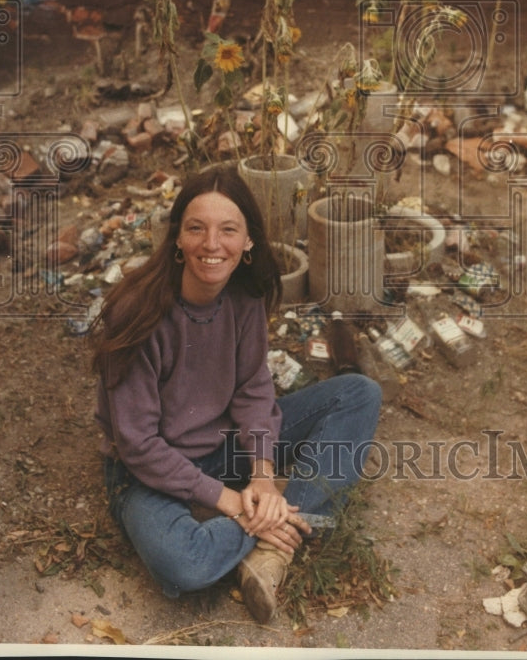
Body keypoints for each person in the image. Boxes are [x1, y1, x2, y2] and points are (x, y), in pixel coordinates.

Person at [90, 163, 382, 624]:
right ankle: (282, 524)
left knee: (358, 394)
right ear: (177, 239)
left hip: (224, 448)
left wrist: (263, 476)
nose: (211, 244)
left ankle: (270, 540)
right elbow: (137, 444)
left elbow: (252, 391)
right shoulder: (137, 312)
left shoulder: (244, 297)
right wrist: (227, 499)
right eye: (196, 229)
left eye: (228, 230)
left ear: (247, 242)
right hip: (147, 471)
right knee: (183, 563)